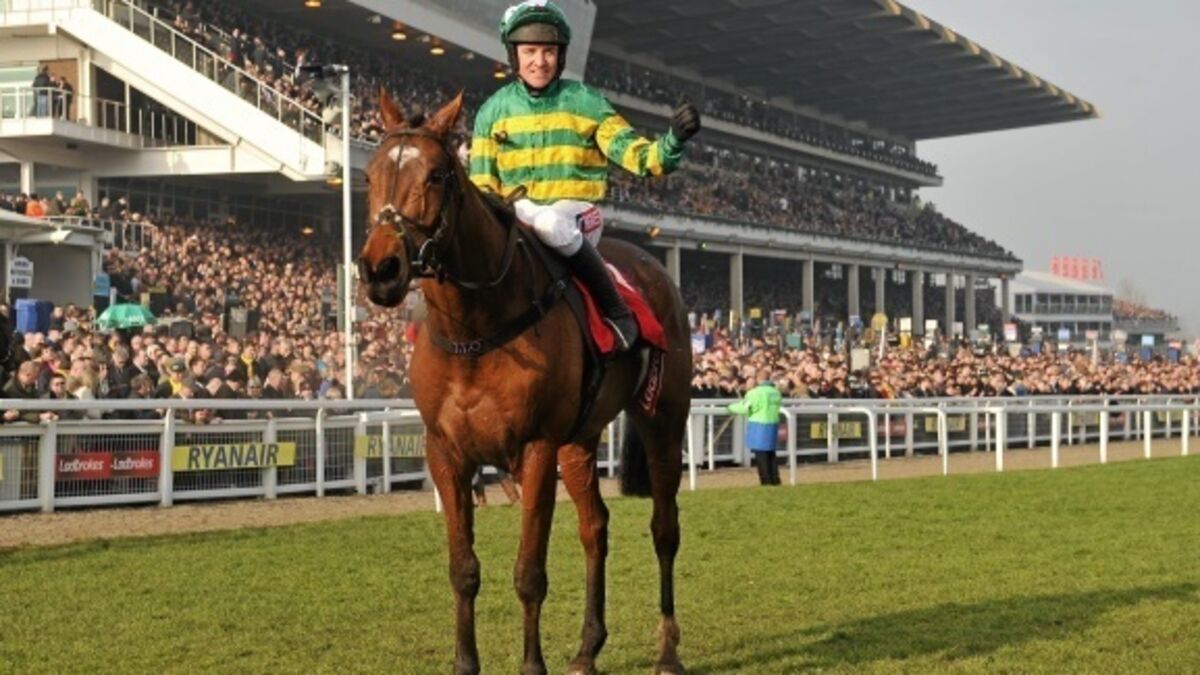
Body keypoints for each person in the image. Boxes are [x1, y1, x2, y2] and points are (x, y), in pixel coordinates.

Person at [470, 0, 701, 352]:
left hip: (577, 213)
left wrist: (674, 141)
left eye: (549, 51)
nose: (539, 61)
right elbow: (482, 187)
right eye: (529, 51)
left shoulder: (587, 102)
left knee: (549, 223)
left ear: (561, 56)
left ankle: (617, 310)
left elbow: (640, 158)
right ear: (514, 55)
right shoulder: (491, 112)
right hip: (519, 216)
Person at [727, 374, 783, 485]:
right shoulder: (776, 392)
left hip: (759, 425)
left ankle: (766, 481)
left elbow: (744, 408)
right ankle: (775, 479)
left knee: (761, 455)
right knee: (771, 454)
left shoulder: (754, 393)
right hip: (772, 424)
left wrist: (729, 407)